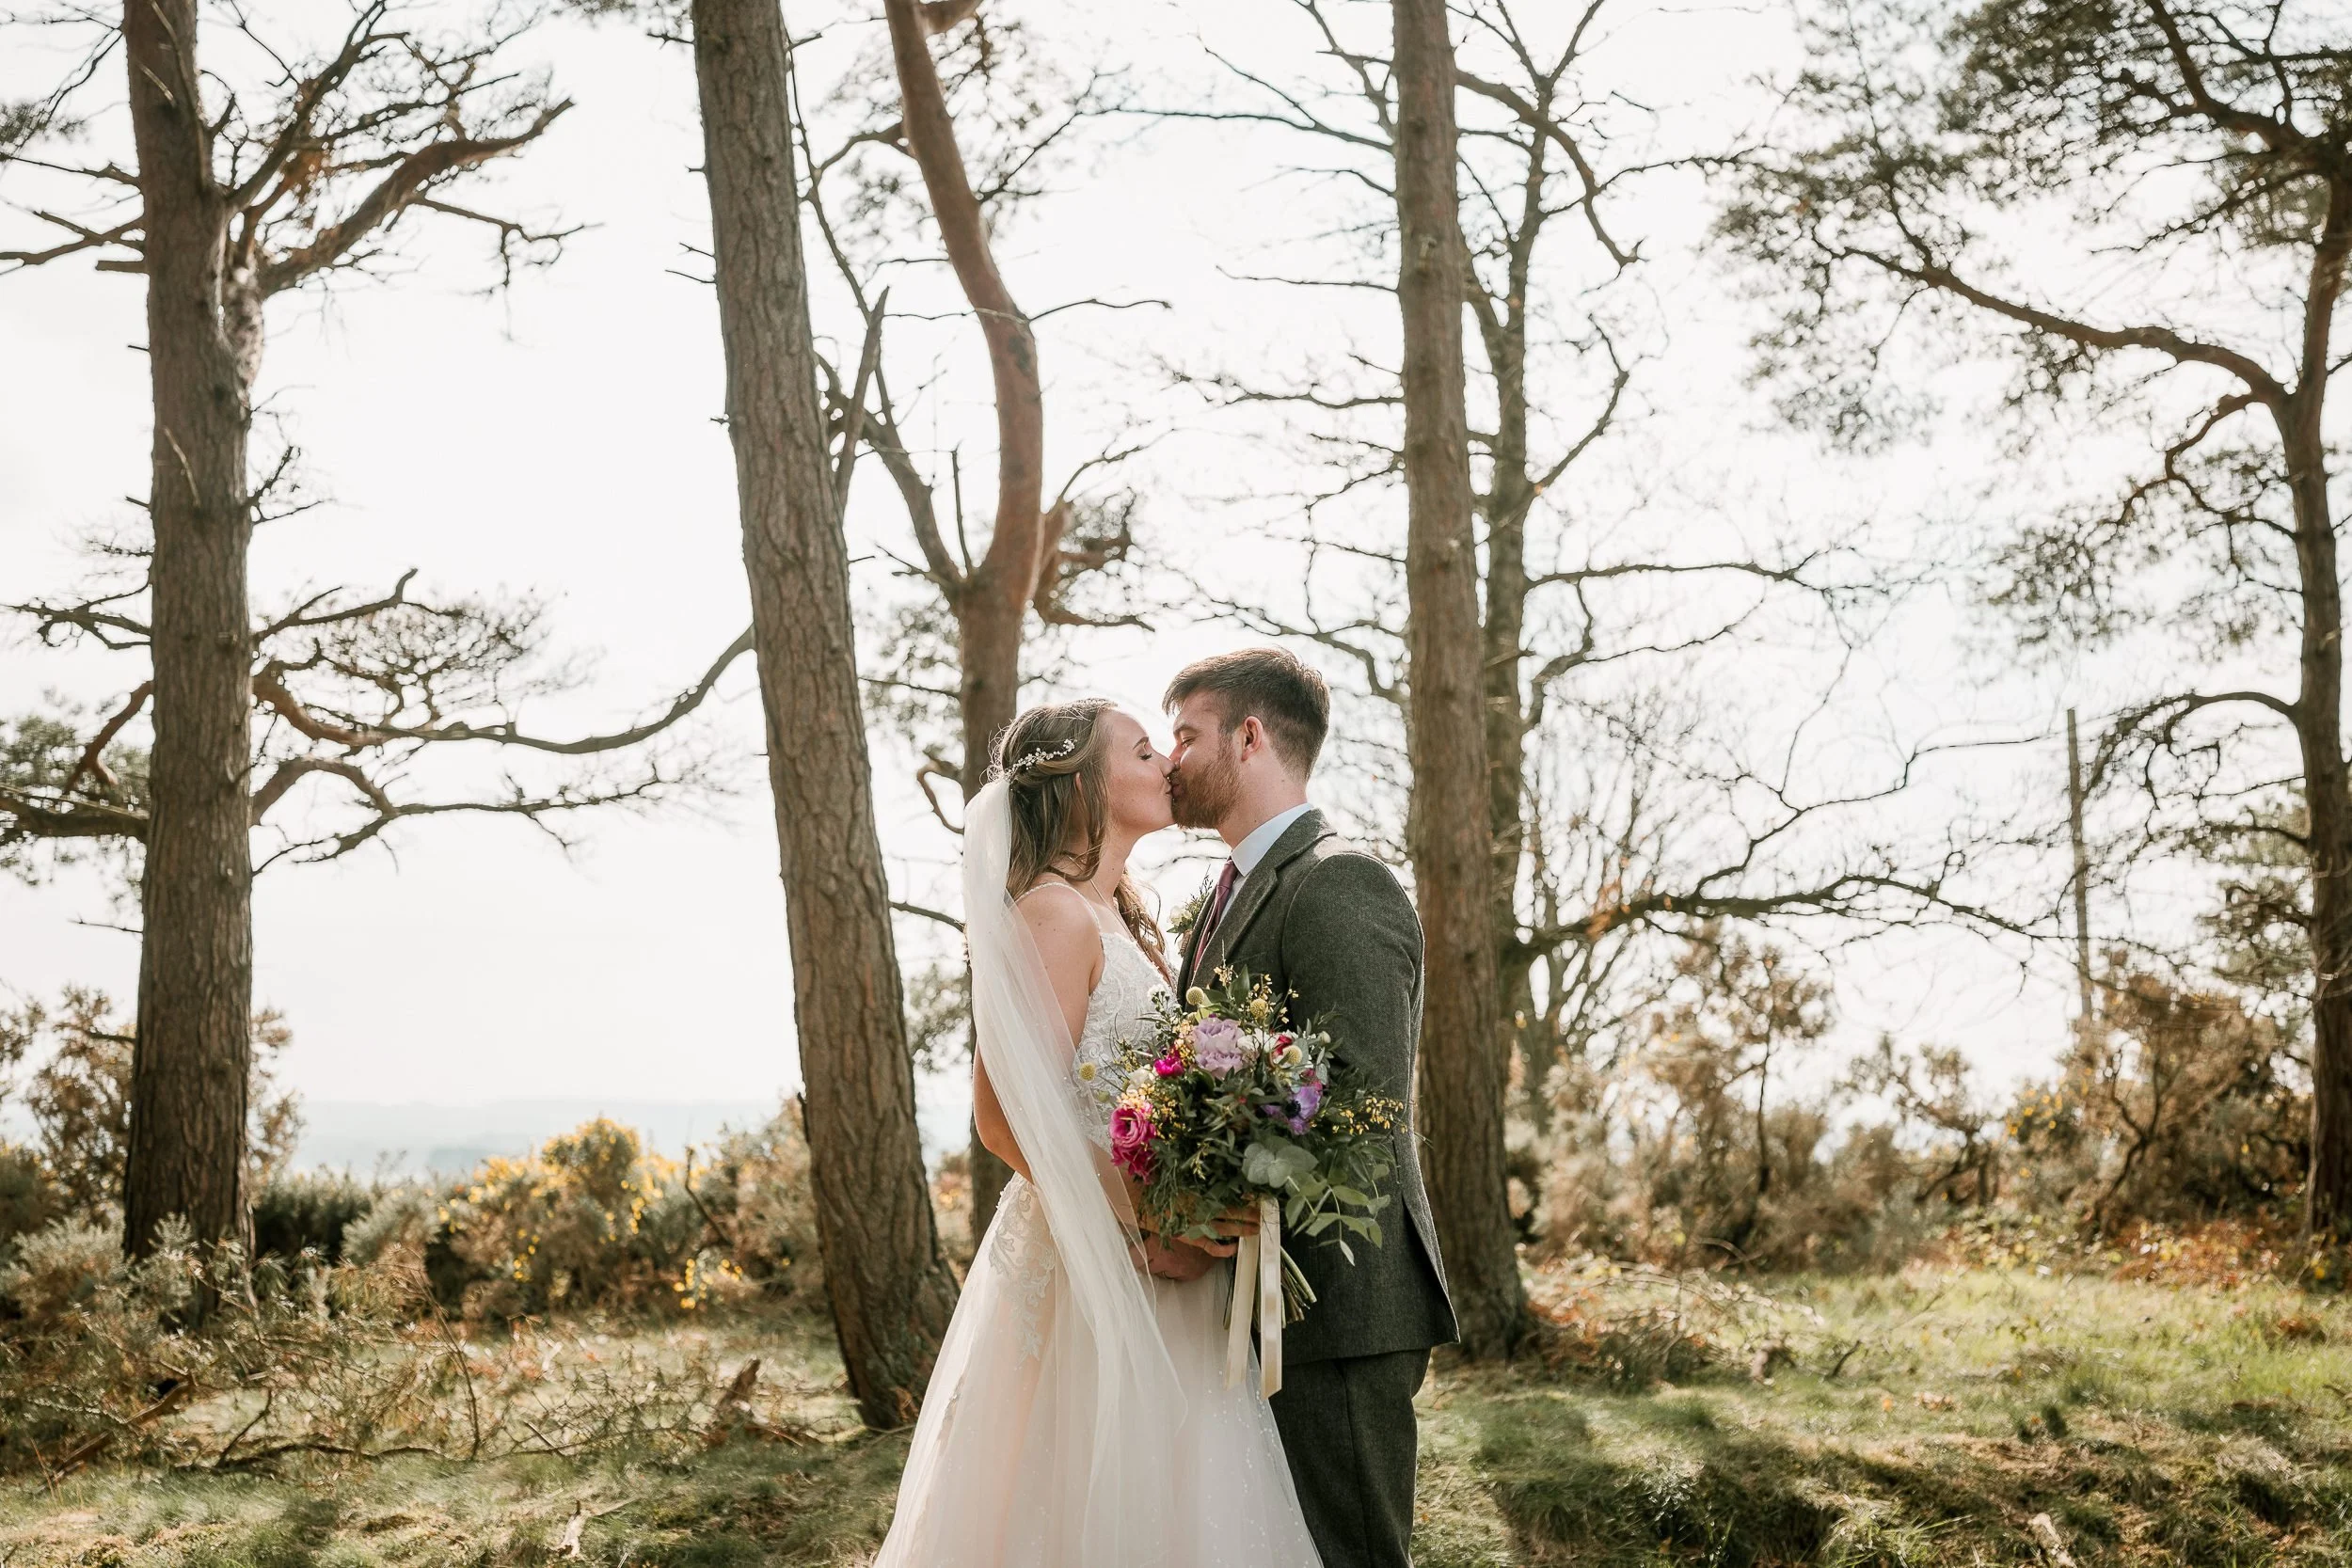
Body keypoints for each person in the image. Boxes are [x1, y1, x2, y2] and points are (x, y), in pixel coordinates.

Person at [871, 696, 1322, 1568]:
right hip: (1092, 1266)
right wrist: (1152, 1217)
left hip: (1163, 1266)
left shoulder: (1123, 914)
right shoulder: (1053, 914)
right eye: (1147, 749)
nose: (1170, 764)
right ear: (1082, 780)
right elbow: (1005, 1116)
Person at [1164, 647, 1456, 1568]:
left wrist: (1206, 1198)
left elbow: (1358, 1109)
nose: (1169, 758)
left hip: (1337, 1306)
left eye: (1184, 733)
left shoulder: (1337, 880)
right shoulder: (1226, 894)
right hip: (1255, 1307)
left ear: (1249, 737)